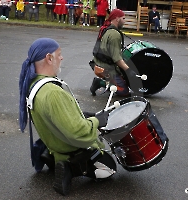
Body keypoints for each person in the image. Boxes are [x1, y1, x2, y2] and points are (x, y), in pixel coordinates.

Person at [19, 38, 116, 196]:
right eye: (59, 54)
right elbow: (78, 133)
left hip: (53, 141)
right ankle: (70, 166)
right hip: (67, 145)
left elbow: (56, 115)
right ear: (49, 58)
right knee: (109, 169)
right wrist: (98, 121)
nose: (62, 58)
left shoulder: (34, 84)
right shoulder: (53, 92)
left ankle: (51, 156)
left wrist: (82, 115)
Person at [90, 9, 139, 96]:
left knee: (124, 77)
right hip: (106, 67)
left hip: (99, 62)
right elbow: (117, 59)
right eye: (123, 18)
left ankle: (112, 82)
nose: (124, 21)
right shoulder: (115, 35)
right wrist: (129, 71)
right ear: (117, 19)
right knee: (123, 91)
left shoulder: (107, 29)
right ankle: (100, 83)